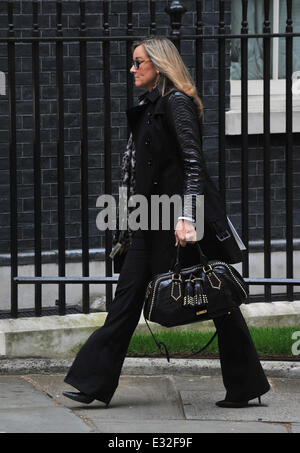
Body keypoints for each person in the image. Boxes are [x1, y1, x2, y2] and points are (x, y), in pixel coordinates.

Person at [63, 36, 270, 408]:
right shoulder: (150, 105)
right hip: (148, 220)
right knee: (125, 301)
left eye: (138, 62)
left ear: (158, 66)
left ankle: (246, 384)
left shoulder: (176, 103)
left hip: (177, 222)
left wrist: (188, 217)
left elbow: (194, 164)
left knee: (219, 300)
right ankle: (92, 383)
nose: (132, 69)